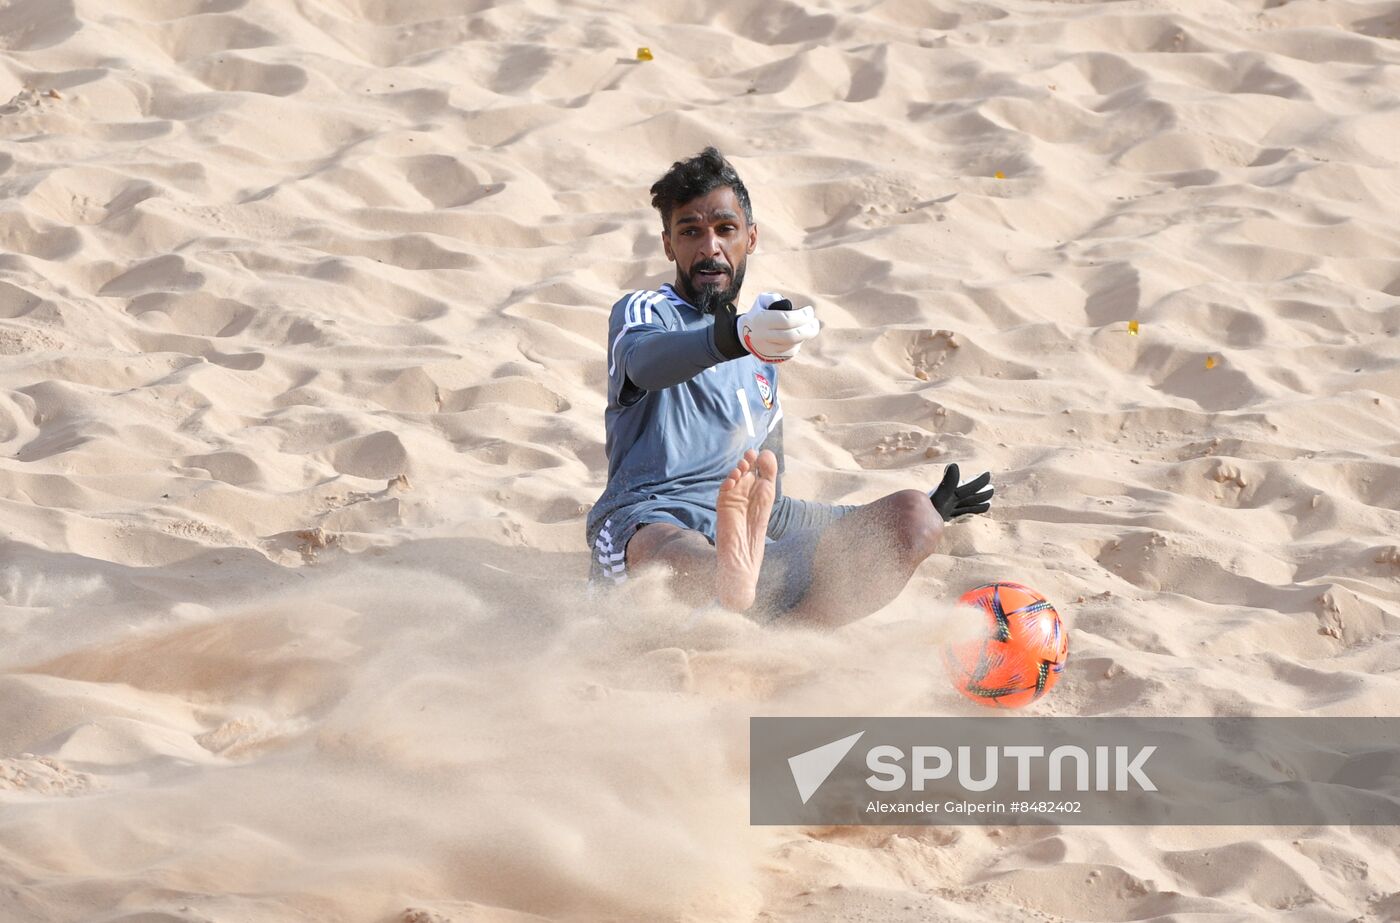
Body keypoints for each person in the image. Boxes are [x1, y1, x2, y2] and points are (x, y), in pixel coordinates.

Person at [586, 147, 993, 627]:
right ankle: (733, 585)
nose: (709, 247)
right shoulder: (645, 312)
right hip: (648, 526)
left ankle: (786, 640)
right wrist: (734, 336)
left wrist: (902, 515)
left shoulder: (762, 364)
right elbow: (645, 363)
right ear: (668, 245)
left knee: (912, 518)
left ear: (751, 237)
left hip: (749, 541)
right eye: (690, 231)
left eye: (725, 229)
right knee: (677, 548)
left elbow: (773, 507)